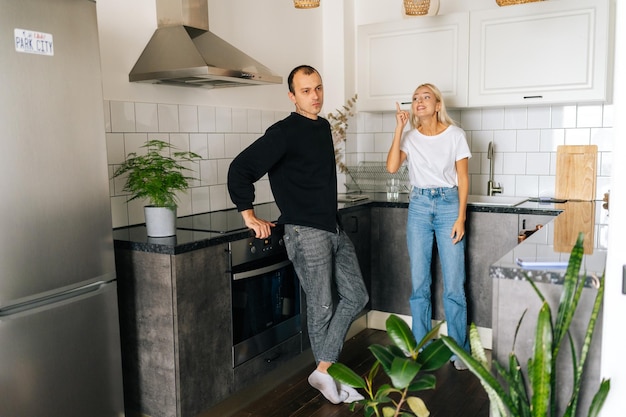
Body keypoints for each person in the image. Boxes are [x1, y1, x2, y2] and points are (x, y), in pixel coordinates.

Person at [227, 65, 369, 403]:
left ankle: (323, 371)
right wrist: (248, 214)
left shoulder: (322, 127)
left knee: (357, 296)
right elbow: (240, 169)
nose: (315, 96)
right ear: (292, 96)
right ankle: (328, 377)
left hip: (330, 226)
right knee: (321, 307)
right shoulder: (283, 132)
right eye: (306, 91)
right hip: (306, 232)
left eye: (318, 88)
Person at [386, 83, 471, 370]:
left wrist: (461, 218)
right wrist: (399, 129)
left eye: (425, 97)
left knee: (454, 284)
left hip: (448, 206)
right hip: (420, 206)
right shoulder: (410, 138)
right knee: (420, 283)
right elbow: (392, 167)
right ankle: (421, 348)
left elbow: (463, 178)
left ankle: (460, 351)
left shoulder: (456, 135)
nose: (419, 101)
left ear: (437, 105)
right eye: (414, 98)